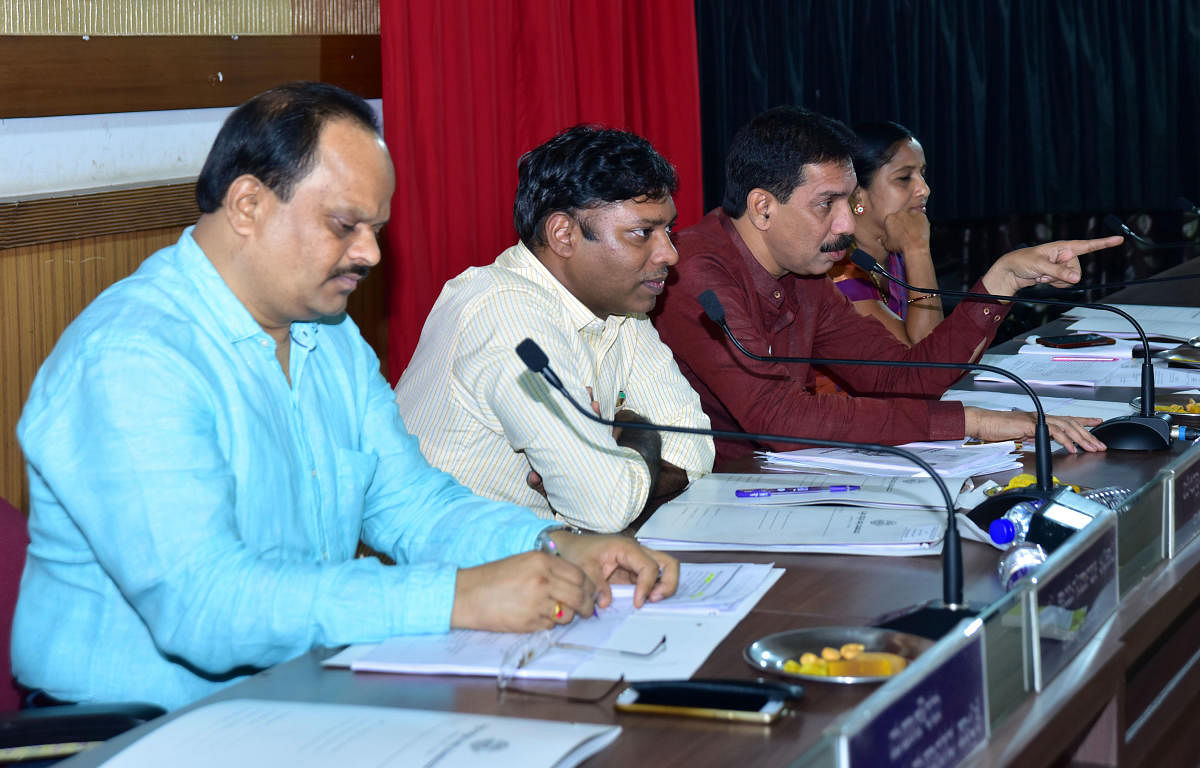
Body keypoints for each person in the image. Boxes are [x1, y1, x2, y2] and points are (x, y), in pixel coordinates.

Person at [12, 83, 678, 711]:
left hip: (296, 696)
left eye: (376, 228)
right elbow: (204, 605)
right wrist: (453, 597)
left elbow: (413, 506)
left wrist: (555, 544)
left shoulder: (326, 336)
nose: (371, 254)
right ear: (248, 206)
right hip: (138, 728)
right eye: (344, 225)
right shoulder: (133, 358)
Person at [652, 106, 1120, 464]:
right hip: (719, 501)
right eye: (826, 204)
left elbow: (903, 377)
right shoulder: (696, 271)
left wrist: (1002, 280)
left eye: (849, 202)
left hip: (785, 480)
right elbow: (779, 419)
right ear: (762, 207)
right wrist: (972, 422)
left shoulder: (804, 268)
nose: (846, 225)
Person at [394, 125, 714, 533]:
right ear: (564, 234)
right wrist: (645, 437)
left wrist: (618, 466)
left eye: (667, 231)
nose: (669, 253)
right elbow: (604, 507)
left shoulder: (620, 310)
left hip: (539, 563)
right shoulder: (505, 313)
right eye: (642, 233)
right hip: (445, 576)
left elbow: (696, 452)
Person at [830, 121, 943, 345]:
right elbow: (928, 359)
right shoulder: (838, 272)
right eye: (904, 178)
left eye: (922, 174)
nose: (924, 189)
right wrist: (918, 250)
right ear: (857, 195)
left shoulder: (895, 253)